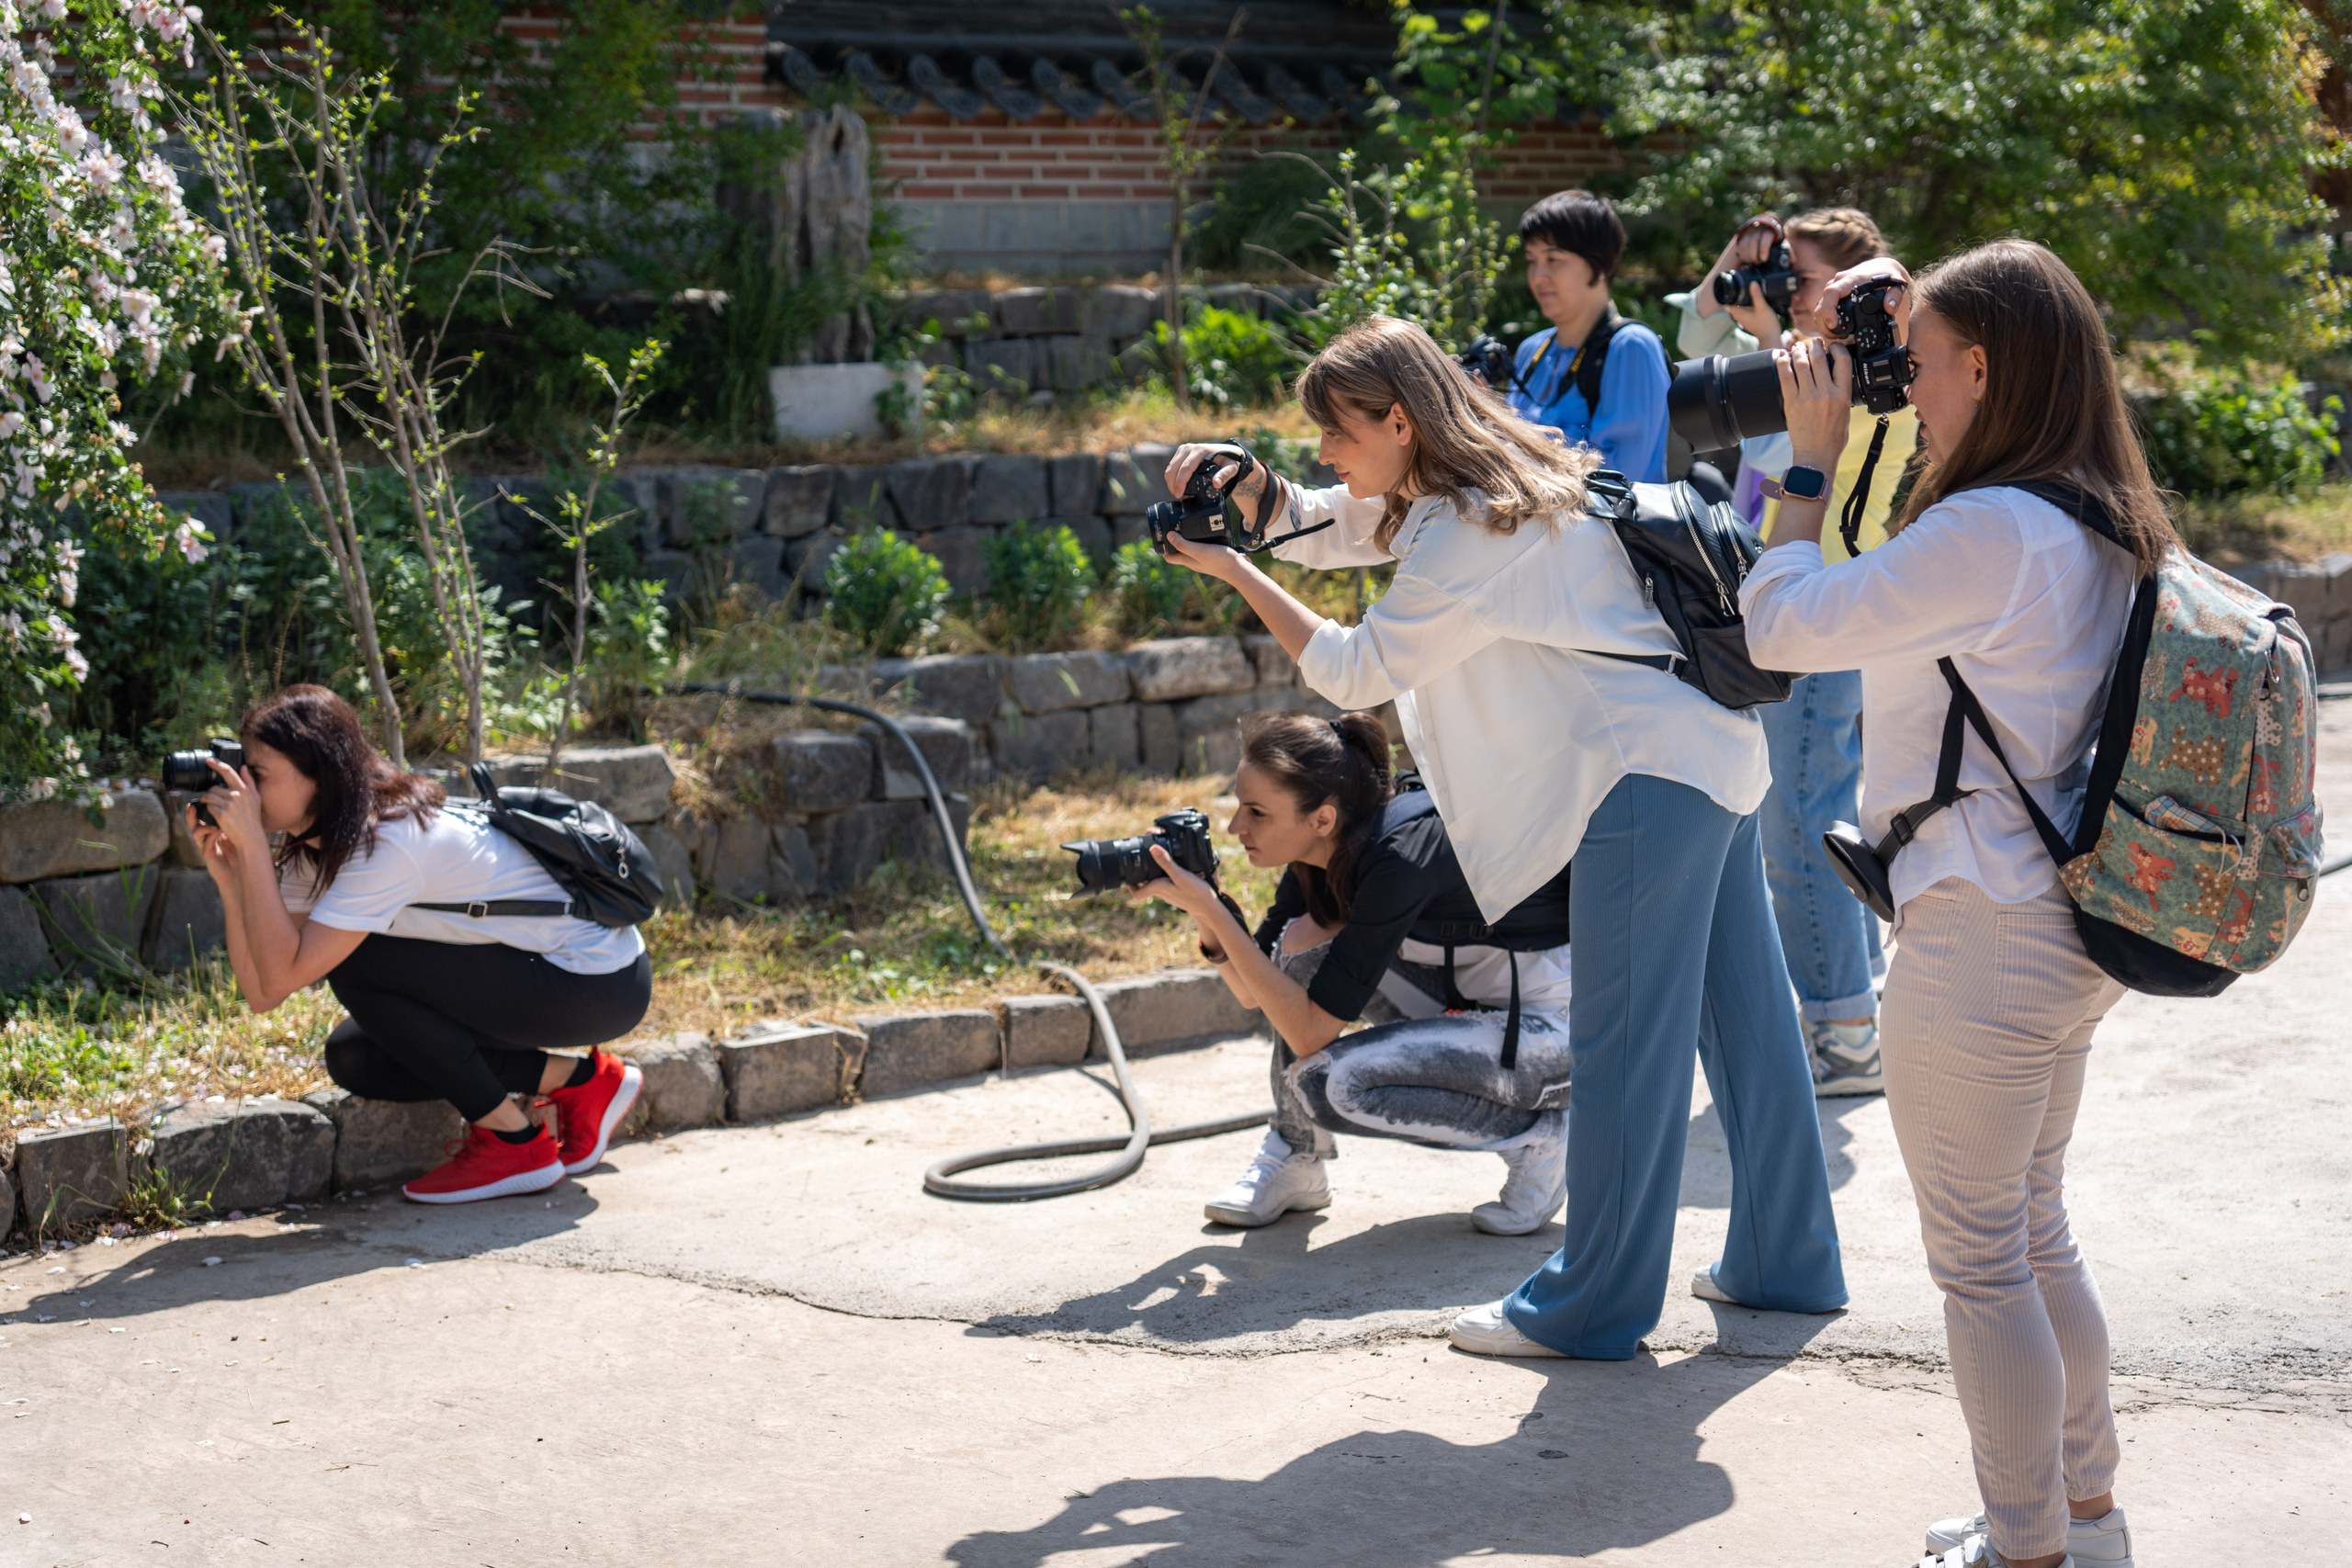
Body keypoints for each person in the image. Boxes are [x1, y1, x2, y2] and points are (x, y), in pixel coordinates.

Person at [1159, 314, 1845, 1363]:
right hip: (1699, 763)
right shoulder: (1487, 488)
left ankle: (1593, 1304)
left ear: (1399, 419)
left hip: (1638, 784)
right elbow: (1335, 518)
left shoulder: (1467, 531)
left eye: (1338, 433)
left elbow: (1353, 672)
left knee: (1626, 1055)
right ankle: (1786, 1262)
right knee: (1745, 1026)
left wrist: (1233, 572)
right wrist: (1253, 495)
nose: (1326, 456)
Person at [1741, 239, 2159, 1568]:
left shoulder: (1987, 529)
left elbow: (1783, 626)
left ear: (1982, 366)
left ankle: (2026, 1540)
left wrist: (1804, 467)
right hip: (2065, 920)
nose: (1902, 388)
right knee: (2032, 1226)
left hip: (1979, 926)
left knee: (1982, 1259)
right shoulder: (2100, 514)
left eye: (1919, 365)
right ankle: (2082, 1514)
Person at [187, 684, 651, 1205]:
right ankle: (585, 1080)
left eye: (259, 774)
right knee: (358, 1056)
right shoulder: (312, 845)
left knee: (360, 962)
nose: (243, 787)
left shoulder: (387, 841)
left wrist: (252, 849)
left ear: (318, 774)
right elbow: (263, 992)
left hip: (597, 981)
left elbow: (280, 974)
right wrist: (232, 882)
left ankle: (515, 1143)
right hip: (543, 972)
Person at [1133, 710, 1576, 1235]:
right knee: (1299, 950)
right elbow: (1258, 993)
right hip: (1466, 1002)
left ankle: (1540, 1134)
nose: (1235, 827)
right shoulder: (1320, 853)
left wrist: (1211, 909)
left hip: (1553, 1032)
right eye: (1237, 807)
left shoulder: (1401, 857)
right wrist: (1210, 916)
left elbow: (1308, 1031)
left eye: (1256, 812)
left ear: (1321, 818)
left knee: (1331, 1084)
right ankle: (1298, 1158)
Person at [1674, 207, 1922, 1097]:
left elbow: (1781, 454)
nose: (1789, 293)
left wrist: (1778, 333)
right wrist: (1731, 271)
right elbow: (1692, 342)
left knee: (1799, 824)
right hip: (1814, 609)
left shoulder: (1860, 381)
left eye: (1804, 280)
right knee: (1825, 810)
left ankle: (1846, 1034)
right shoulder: (1820, 368)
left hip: (1823, 615)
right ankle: (1857, 1003)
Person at [1502, 189, 1672, 481]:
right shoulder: (1532, 349)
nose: (1538, 276)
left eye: (1553, 259)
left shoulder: (1630, 347)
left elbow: (1620, 480)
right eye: (1532, 261)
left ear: (1599, 264)